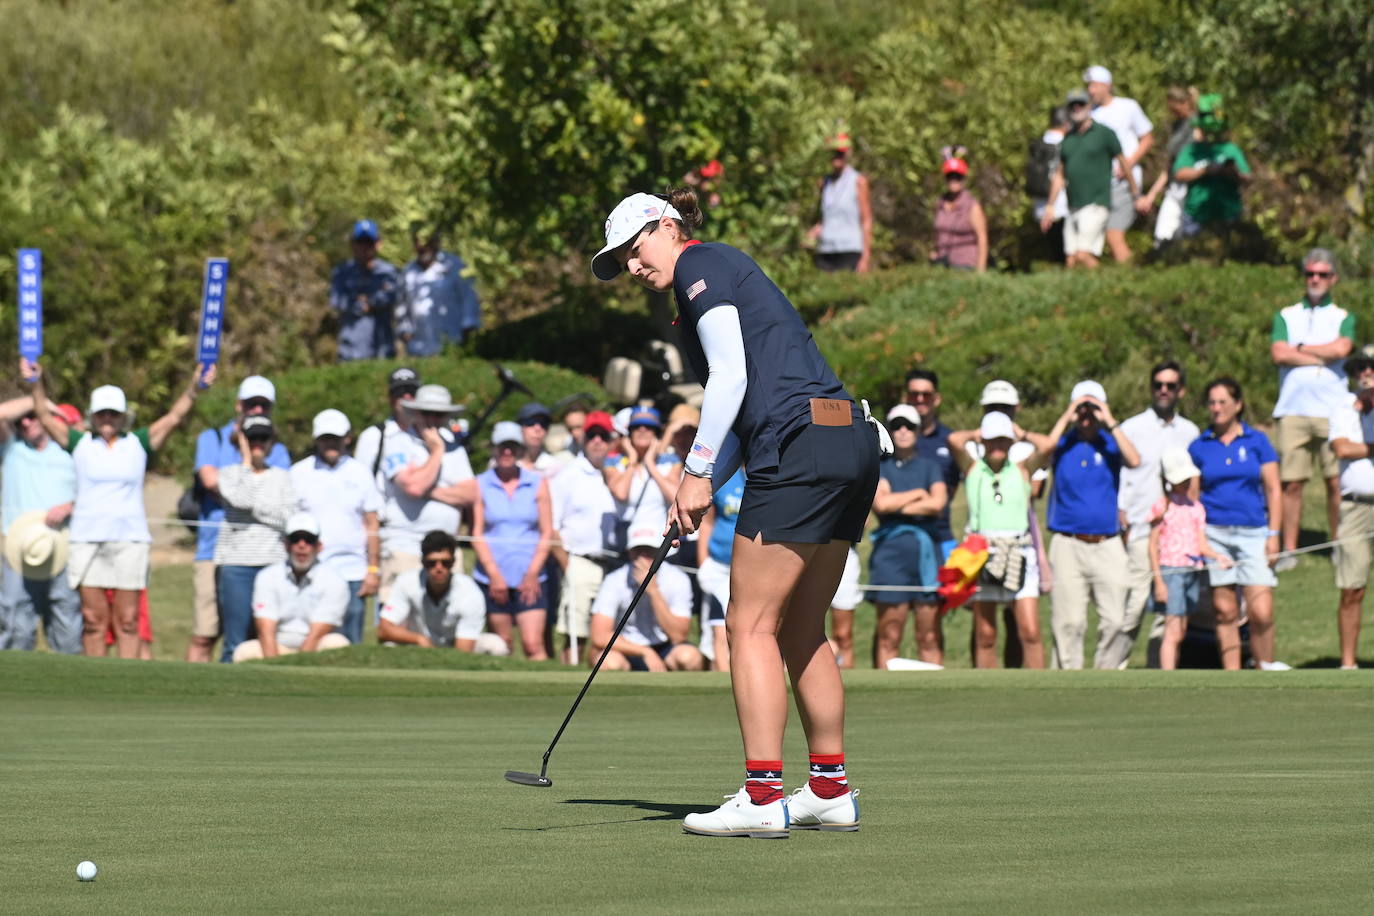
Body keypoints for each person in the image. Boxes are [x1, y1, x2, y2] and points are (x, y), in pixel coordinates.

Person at [591, 187, 880, 837]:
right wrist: (692, 493)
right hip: (847, 439)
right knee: (802, 626)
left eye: (635, 252)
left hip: (800, 446)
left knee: (746, 626)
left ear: (667, 227)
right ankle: (829, 790)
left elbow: (729, 380)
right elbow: (747, 424)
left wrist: (693, 473)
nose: (633, 269)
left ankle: (761, 797)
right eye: (623, 263)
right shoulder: (716, 273)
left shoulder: (699, 264)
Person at [27, 359, 211, 659]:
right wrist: (35, 384)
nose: (108, 419)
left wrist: (194, 387)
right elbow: (46, 419)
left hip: (129, 540)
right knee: (93, 620)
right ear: (93, 416)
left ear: (123, 416)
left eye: (113, 413)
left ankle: (127, 684)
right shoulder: (80, 443)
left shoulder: (137, 443)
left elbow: (175, 417)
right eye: (102, 413)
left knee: (127, 620)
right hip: (87, 539)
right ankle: (97, 685)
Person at [188, 375, 292, 663]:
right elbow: (212, 482)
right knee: (205, 633)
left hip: (266, 553)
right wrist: (247, 482)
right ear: (238, 405)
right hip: (216, 550)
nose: (257, 410)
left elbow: (281, 501)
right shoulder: (213, 438)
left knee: (259, 634)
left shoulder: (278, 448)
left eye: (263, 405)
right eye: (251, 404)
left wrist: (241, 497)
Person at [1188, 378, 1286, 670]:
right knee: (1225, 610)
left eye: (1222, 402)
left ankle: (1264, 667)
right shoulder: (1199, 445)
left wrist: (1274, 533)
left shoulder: (1257, 441)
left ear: (1238, 405)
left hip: (1254, 532)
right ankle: (1233, 678)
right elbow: (1192, 497)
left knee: (1262, 610)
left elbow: (1274, 489)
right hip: (1215, 533)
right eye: (1212, 403)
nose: (1216, 408)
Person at [1045, 380, 1141, 669]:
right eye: (1082, 408)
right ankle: (1068, 684)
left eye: (1093, 407)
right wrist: (1068, 416)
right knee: (1069, 623)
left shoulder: (1111, 443)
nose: (1087, 415)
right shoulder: (1062, 443)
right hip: (1067, 541)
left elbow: (1135, 460)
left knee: (1114, 619)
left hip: (1107, 542)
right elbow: (1045, 448)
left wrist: (1109, 420)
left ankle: (1105, 678)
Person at [949, 411, 1054, 669]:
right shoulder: (973, 468)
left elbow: (1049, 445)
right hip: (983, 553)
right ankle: (987, 693)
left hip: (1019, 551)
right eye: (992, 440)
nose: (998, 446)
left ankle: (1038, 689)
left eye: (1003, 440)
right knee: (986, 635)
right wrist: (977, 434)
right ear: (983, 441)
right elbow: (953, 440)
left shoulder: (1022, 469)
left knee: (1029, 631)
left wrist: (1022, 434)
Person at [1269, 248, 1353, 568]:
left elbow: (1343, 347)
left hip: (1334, 411)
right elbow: (1279, 353)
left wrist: (1300, 349)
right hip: (1293, 409)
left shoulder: (1342, 317)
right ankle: (1290, 550)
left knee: (1335, 481)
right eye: (1310, 274)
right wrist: (1322, 354)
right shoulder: (1287, 315)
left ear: (1333, 278)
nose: (1315, 279)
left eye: (1321, 274)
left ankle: (1338, 545)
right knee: (1292, 482)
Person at [1117, 361, 1201, 667]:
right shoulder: (1132, 427)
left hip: (1177, 539)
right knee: (1134, 605)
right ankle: (1113, 670)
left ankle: (1156, 675)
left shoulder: (1190, 432)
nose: (1163, 391)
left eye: (1170, 386)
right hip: (1141, 528)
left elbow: (1193, 484)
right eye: (1158, 385)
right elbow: (1122, 475)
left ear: (1181, 390)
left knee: (1167, 615)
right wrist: (1121, 510)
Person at [377, 383, 475, 601]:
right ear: (416, 413)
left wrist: (428, 490)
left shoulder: (456, 448)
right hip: (405, 548)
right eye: (427, 414)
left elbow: (470, 494)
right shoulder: (398, 443)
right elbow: (413, 487)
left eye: (439, 415)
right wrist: (437, 452)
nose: (432, 420)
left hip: (447, 552)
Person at [290, 409, 381, 644]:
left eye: (336, 438)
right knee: (309, 634)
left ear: (347, 438)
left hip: (353, 571)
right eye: (325, 438)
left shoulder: (360, 473)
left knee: (351, 638)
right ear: (316, 439)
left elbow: (372, 523)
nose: (331, 444)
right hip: (311, 570)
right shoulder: (299, 472)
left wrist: (372, 570)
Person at [867, 405, 947, 668]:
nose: (902, 431)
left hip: (927, 556)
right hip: (890, 557)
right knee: (889, 635)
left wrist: (898, 502)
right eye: (897, 425)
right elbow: (881, 505)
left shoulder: (930, 466)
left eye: (909, 426)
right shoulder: (880, 466)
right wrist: (918, 494)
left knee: (929, 636)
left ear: (918, 431)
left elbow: (937, 504)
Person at [0, 396, 80, 654]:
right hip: (19, 555)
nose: (25, 422)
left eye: (33, 417)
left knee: (67, 631)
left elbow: (95, 496)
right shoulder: (11, 448)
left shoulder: (70, 450)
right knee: (16, 630)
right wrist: (38, 401)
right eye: (22, 418)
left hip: (63, 551)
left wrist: (69, 507)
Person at [214, 415, 297, 663]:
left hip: (273, 564)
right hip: (236, 565)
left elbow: (289, 518)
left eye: (263, 438)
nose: (258, 444)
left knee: (270, 637)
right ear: (242, 442)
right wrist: (247, 464)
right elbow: (241, 499)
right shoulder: (229, 474)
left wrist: (255, 511)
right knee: (235, 640)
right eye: (252, 439)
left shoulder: (283, 477)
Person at [472, 421, 553, 660]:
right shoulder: (481, 483)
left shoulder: (537, 483)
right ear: (494, 449)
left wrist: (532, 573)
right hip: (492, 576)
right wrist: (494, 575)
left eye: (512, 447)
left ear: (519, 450)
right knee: (501, 645)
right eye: (502, 447)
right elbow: (477, 532)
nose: (507, 452)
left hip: (531, 574)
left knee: (532, 644)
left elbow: (546, 532)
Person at [548, 410, 620, 664]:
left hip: (614, 565)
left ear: (612, 441)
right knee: (574, 635)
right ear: (583, 439)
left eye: (603, 435)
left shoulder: (617, 473)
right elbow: (552, 527)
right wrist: (568, 566)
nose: (597, 441)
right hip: (579, 561)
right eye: (592, 435)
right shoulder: (568, 475)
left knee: (608, 634)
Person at [1149, 448, 1230, 670]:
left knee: (1182, 630)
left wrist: (1218, 557)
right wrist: (1158, 582)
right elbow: (1152, 546)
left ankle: (1173, 673)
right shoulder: (1162, 507)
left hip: (1191, 571)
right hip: (1170, 572)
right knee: (1172, 629)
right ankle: (1168, 675)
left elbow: (1201, 544)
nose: (1185, 483)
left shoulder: (1196, 508)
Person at [232, 512, 351, 662]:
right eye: (295, 539)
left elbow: (317, 634)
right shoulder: (267, 576)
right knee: (244, 651)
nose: (302, 545)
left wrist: (297, 668)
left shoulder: (334, 580)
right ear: (286, 545)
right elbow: (266, 630)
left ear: (319, 546)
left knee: (337, 643)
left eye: (309, 540)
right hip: (277, 647)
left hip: (316, 649)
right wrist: (274, 666)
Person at [1040, 89, 1137, 269]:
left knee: (1082, 255)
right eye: (1072, 105)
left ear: (1089, 106)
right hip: (1073, 205)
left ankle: (1119, 283)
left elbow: (1123, 162)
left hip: (1096, 202)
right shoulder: (1067, 139)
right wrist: (1050, 206)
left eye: (1081, 104)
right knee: (1071, 260)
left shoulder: (1103, 133)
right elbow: (1060, 175)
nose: (1076, 108)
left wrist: (1135, 193)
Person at [588, 526, 705, 672]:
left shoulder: (677, 579)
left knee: (689, 657)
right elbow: (600, 636)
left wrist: (653, 591)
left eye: (649, 550)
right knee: (608, 662)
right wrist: (645, 652)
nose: (643, 557)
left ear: (660, 551)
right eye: (638, 550)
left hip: (665, 646)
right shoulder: (614, 580)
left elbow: (679, 635)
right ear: (630, 552)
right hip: (627, 647)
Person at [1326, 352, 1374, 670]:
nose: (1366, 374)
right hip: (1356, 507)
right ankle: (1347, 665)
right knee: (1352, 588)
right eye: (1361, 369)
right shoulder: (1344, 408)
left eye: (1371, 368)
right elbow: (1341, 448)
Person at [1084, 65, 1153, 263]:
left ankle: (1130, 280)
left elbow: (1147, 138)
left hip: (1124, 183)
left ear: (1107, 85)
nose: (1091, 90)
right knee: (1094, 240)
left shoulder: (1127, 106)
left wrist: (1129, 164)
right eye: (1089, 86)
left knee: (1114, 235)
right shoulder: (1090, 114)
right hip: (1100, 186)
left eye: (1095, 85)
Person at [377, 530, 487, 650]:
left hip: (456, 644)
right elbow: (383, 630)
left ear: (453, 562)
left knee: (496, 646)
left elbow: (463, 650)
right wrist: (419, 639)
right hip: (418, 646)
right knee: (389, 645)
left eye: (445, 563)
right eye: (432, 563)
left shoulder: (469, 592)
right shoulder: (406, 581)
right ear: (423, 562)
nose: (439, 568)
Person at [1171, 94, 1253, 240]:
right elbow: (1179, 173)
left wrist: (1231, 173)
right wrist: (1205, 171)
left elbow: (1247, 178)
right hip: (1196, 213)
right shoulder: (1191, 150)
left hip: (1227, 211)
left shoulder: (1231, 149)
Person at [397, 229, 481, 356]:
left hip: (452, 347)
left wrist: (468, 329)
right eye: (418, 242)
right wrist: (405, 331)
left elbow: (469, 300)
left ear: (436, 242)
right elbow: (401, 309)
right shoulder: (408, 272)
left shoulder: (455, 265)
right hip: (418, 350)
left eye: (427, 242)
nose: (423, 246)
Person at [695, 466, 746, 673]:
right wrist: (703, 563)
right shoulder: (727, 474)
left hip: (752, 571)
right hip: (718, 567)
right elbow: (707, 522)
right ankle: (722, 681)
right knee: (717, 630)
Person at [904, 369, 960, 558]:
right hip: (900, 535)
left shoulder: (949, 440)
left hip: (941, 537)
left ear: (936, 399)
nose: (920, 399)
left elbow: (952, 488)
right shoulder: (892, 440)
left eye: (926, 394)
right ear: (906, 398)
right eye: (914, 394)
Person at [1135, 86, 1199, 248]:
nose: (1172, 112)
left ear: (1184, 103)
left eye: (1174, 108)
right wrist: (1151, 195)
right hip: (1174, 186)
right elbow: (1169, 166)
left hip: (1193, 186)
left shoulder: (1198, 125)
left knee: (1187, 235)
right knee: (1163, 234)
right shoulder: (1176, 126)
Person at [330, 219, 401, 361]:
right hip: (350, 350)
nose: (364, 247)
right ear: (352, 244)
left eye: (369, 242)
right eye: (360, 242)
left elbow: (391, 297)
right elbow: (338, 301)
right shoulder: (342, 272)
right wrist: (367, 303)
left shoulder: (389, 272)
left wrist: (369, 301)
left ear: (378, 244)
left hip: (382, 349)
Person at [605, 406, 677, 536]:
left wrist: (650, 464)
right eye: (636, 427)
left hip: (660, 534)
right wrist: (632, 460)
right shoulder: (613, 462)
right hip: (627, 537)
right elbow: (621, 494)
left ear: (656, 433)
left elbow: (674, 496)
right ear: (629, 433)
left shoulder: (671, 461)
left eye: (649, 427)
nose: (642, 430)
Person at [807, 131, 873, 272]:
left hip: (850, 250)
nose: (837, 157)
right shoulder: (824, 183)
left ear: (847, 154)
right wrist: (813, 233)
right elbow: (824, 218)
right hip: (825, 251)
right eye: (834, 153)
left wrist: (866, 257)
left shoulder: (858, 181)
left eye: (841, 153)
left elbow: (866, 220)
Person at [353, 366, 420, 494]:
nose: (406, 396)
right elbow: (359, 484)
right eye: (399, 392)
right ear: (390, 397)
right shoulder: (372, 436)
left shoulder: (431, 434)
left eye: (412, 391)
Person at [931, 153, 988, 272]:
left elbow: (982, 238)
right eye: (950, 176)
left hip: (965, 264)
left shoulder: (972, 206)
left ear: (963, 179)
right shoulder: (940, 204)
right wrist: (934, 252)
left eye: (957, 176)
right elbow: (937, 233)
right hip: (941, 263)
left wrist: (980, 271)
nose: (953, 180)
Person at [1028, 106, 1070, 262]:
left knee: (1054, 250)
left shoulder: (1038, 143)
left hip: (1039, 204)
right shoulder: (1067, 144)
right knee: (1065, 252)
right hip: (1061, 205)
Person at [515, 402, 559, 475]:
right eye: (531, 422)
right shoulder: (503, 463)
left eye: (543, 423)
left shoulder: (555, 467)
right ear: (519, 427)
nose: (537, 428)